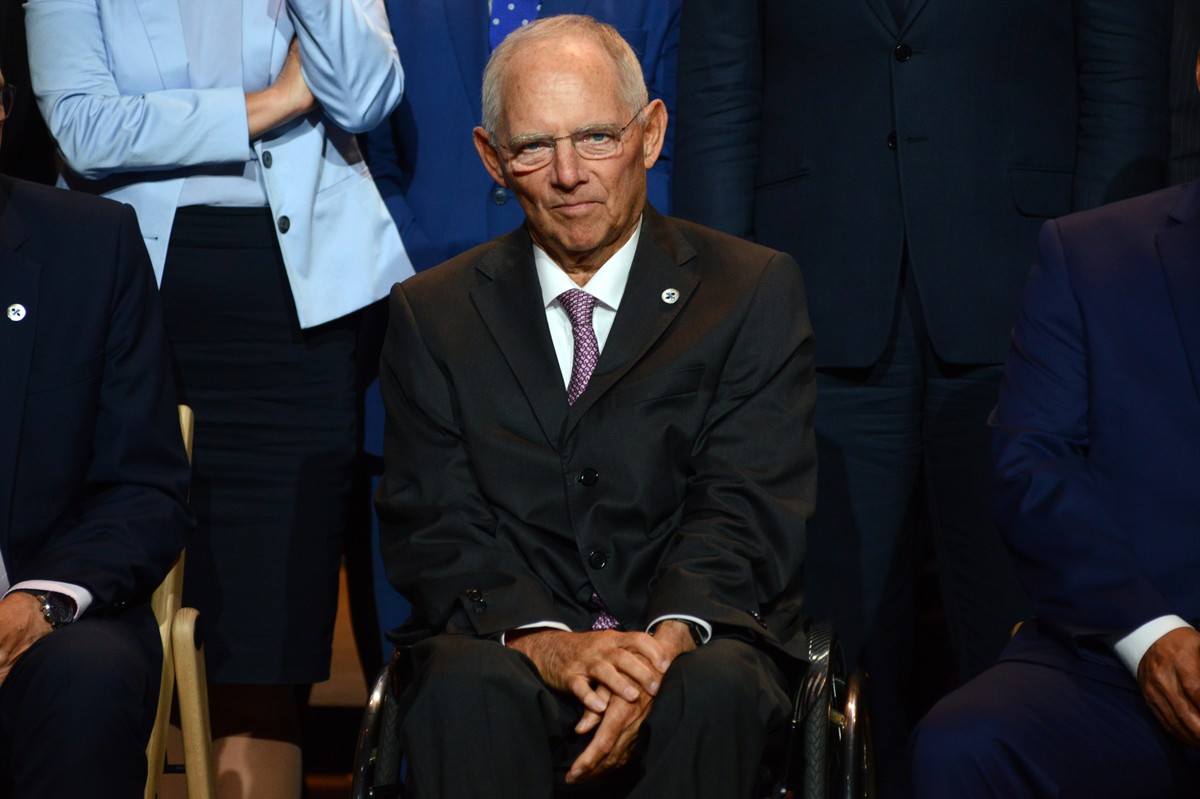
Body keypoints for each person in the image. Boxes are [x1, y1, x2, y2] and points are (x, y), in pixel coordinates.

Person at [671, 2, 1171, 788]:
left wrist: (1096, 287)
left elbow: (1124, 81)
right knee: (833, 651)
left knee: (1025, 635)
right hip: (813, 291)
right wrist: (718, 309)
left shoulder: (1068, 289)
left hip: (1028, 300)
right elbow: (720, 86)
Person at [374, 15, 815, 798]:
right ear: (492, 159)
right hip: (510, 643)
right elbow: (436, 519)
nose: (569, 173)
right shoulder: (431, 312)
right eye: (534, 147)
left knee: (714, 687)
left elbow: (746, 503)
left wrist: (657, 647)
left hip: (690, 638)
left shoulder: (748, 290)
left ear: (650, 134)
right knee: (462, 684)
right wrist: (548, 643)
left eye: (597, 138)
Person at [23, 2, 411, 796]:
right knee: (102, 619)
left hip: (297, 308)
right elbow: (86, 132)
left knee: (264, 653)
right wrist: (274, 102)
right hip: (124, 293)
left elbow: (368, 94)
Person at [910, 49, 1200, 795]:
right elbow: (1031, 464)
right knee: (963, 742)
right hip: (1131, 654)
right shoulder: (1092, 254)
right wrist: (1151, 634)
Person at [358, 1, 681, 663]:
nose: (562, 171)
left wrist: (626, 279)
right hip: (438, 329)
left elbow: (673, 146)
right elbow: (368, 159)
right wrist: (453, 293)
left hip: (627, 328)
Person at [0, 66, 192, 798]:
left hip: (41, 619)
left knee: (89, 675)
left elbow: (143, 485)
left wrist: (37, 605)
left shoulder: (90, 244)